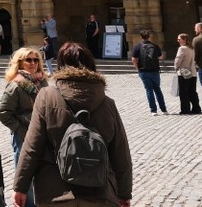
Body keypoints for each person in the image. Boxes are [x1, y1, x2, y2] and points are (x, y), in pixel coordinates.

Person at [12, 42, 132, 207]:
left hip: (55, 193)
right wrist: (124, 193)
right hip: (100, 193)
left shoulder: (46, 96)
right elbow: (120, 152)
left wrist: (20, 187)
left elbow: (32, 145)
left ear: (60, 65)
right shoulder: (107, 103)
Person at [0, 47, 48, 207]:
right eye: (29, 60)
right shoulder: (16, 85)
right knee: (25, 173)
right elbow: (3, 112)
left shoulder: (42, 81)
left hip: (42, 134)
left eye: (36, 59)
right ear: (20, 63)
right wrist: (20, 130)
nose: (33, 63)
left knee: (43, 170)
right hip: (23, 136)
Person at [132, 30, 168, 115]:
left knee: (149, 90)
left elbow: (133, 59)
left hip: (143, 70)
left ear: (141, 37)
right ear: (149, 37)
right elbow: (161, 57)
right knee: (157, 89)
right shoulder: (155, 46)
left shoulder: (137, 46)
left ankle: (153, 110)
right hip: (155, 70)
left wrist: (137, 68)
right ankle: (164, 110)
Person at [173, 33, 201, 115]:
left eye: (179, 39)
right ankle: (196, 108)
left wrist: (176, 67)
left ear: (184, 40)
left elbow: (178, 60)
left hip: (184, 73)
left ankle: (185, 109)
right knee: (192, 92)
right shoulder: (191, 48)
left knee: (183, 92)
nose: (178, 41)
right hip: (193, 73)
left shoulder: (182, 48)